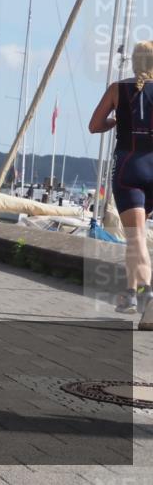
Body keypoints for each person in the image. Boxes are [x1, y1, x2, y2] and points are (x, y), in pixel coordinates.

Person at [89, 40, 153, 314]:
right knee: (136, 236)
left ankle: (148, 294)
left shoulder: (117, 88)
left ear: (135, 61)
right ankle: (130, 294)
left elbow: (94, 125)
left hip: (129, 168)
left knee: (136, 237)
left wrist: (116, 121)